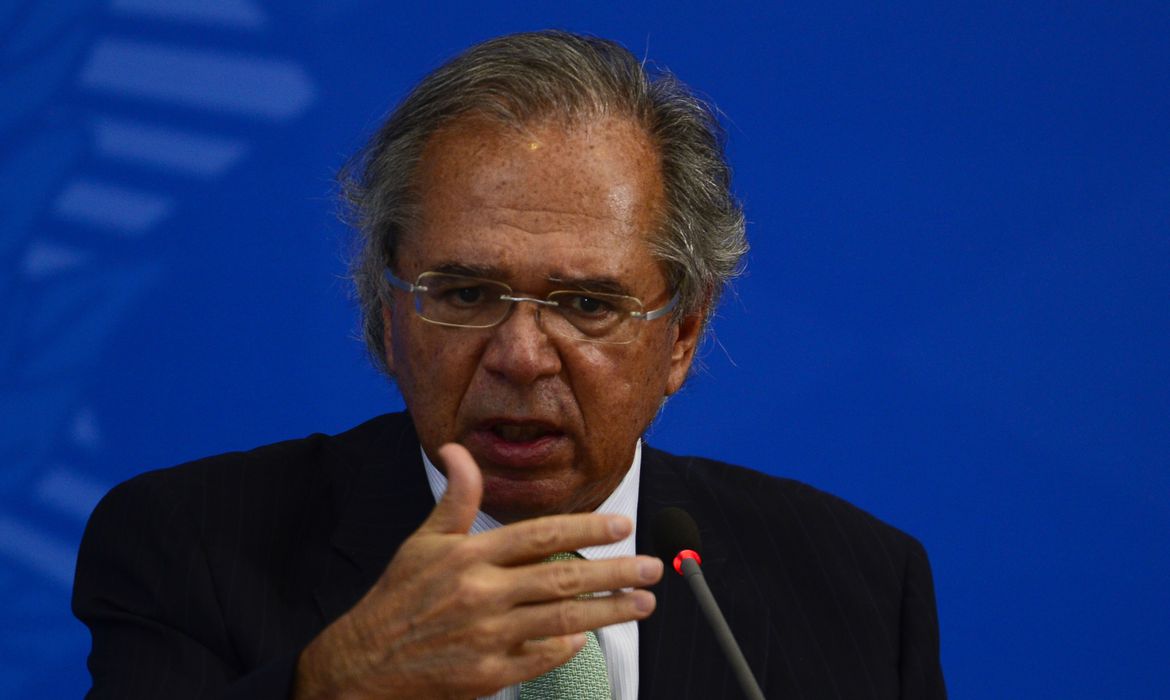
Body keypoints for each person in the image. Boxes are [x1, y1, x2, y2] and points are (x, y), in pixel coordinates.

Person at [73, 31, 946, 699]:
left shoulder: (859, 587)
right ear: (389, 314)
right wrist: (335, 686)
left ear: (682, 335)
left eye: (589, 305)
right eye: (464, 293)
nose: (521, 357)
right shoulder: (193, 546)